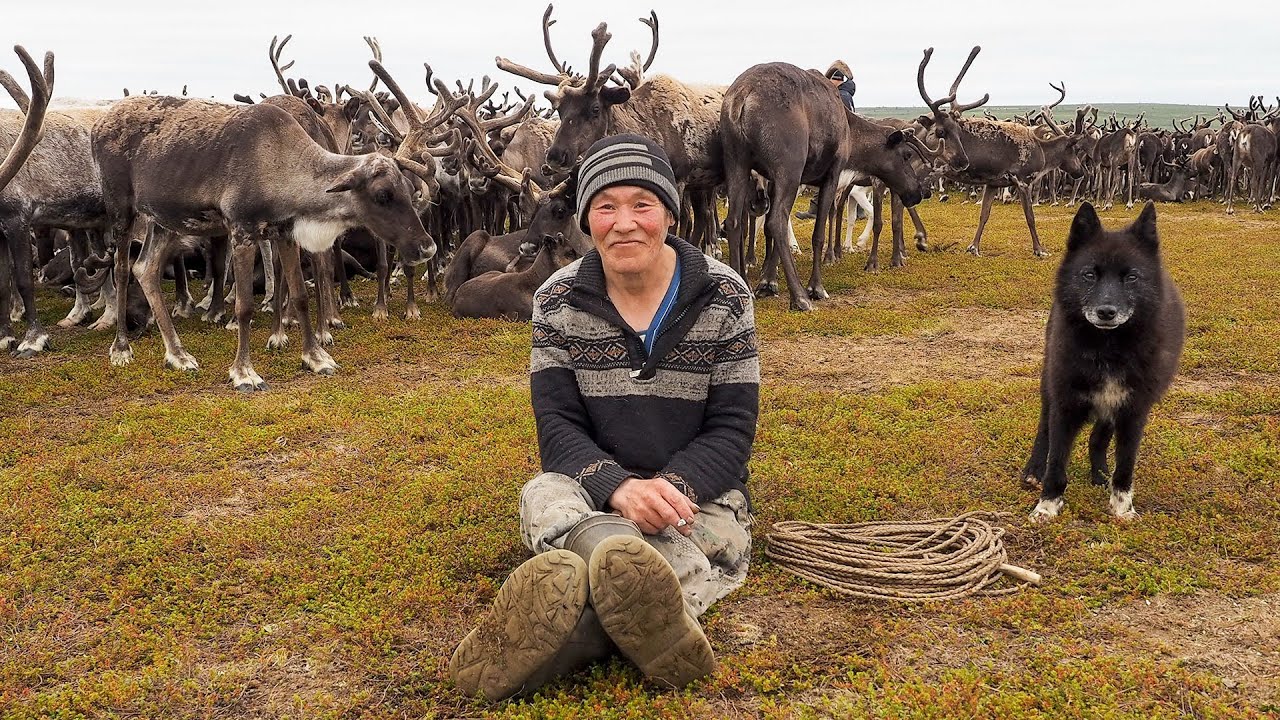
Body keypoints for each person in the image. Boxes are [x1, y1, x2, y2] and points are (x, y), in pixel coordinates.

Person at [448, 134, 760, 701]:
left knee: (697, 535)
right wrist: (620, 490)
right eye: (605, 206)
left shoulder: (725, 296)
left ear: (669, 211)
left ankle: (575, 628)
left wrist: (666, 490)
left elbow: (731, 431)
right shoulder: (556, 300)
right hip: (592, 487)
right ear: (586, 218)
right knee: (546, 492)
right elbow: (558, 427)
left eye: (642, 204)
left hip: (698, 494)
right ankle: (629, 584)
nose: (624, 223)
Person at [796, 62, 858, 221]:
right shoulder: (846, 95)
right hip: (845, 140)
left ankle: (815, 209)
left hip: (838, 141)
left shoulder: (840, 96)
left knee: (826, 174)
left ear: (836, 80)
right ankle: (857, 211)